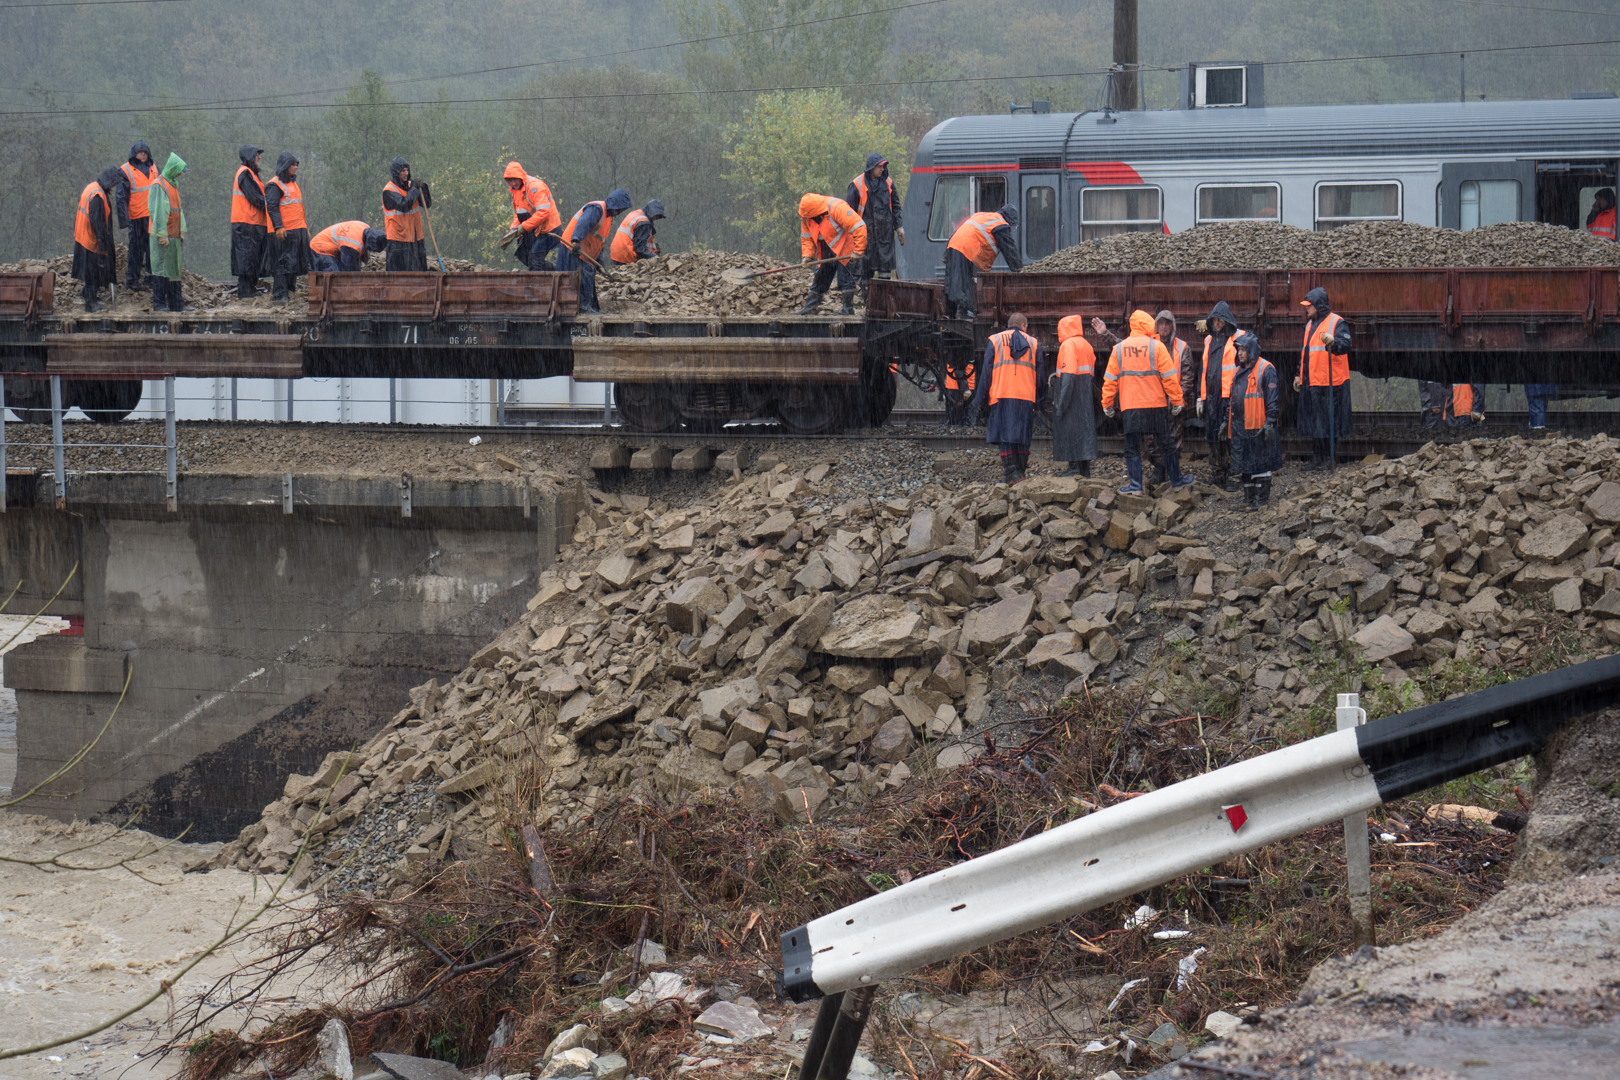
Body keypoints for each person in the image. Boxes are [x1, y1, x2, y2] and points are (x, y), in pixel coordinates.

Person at [1100, 309, 1192, 494]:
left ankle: (1135, 485)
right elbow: (1169, 378)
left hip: (1131, 407)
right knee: (1166, 442)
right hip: (1155, 406)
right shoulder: (1157, 347)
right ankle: (1177, 480)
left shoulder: (1119, 349)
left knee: (1132, 446)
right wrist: (1176, 401)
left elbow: (1110, 380)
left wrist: (1107, 404)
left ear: (1133, 326)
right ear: (1149, 324)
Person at [970, 313, 1044, 485]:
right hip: (1026, 396)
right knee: (1022, 436)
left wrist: (980, 400)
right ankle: (1019, 473)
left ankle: (1011, 474)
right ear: (1024, 326)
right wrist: (1039, 403)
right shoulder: (1034, 343)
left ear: (1008, 325)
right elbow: (1040, 377)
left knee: (1005, 435)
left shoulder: (995, 340)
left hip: (1002, 393)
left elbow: (986, 373)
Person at [1296, 286, 1352, 470]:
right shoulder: (1309, 325)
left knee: (1328, 422)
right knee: (1316, 422)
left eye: (1309, 305)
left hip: (1331, 383)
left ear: (1318, 305)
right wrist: (1299, 374)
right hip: (1313, 381)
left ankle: (1328, 458)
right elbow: (1306, 354)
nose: (1306, 308)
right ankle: (1318, 459)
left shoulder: (1336, 322)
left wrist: (1334, 343)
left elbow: (1345, 345)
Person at [1228, 331, 1281, 510]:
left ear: (1251, 350)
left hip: (1257, 425)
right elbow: (1232, 399)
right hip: (1241, 425)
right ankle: (1248, 499)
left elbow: (1273, 399)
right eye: (1238, 350)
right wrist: (1224, 421)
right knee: (1245, 463)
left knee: (1261, 463)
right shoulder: (1238, 371)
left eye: (1243, 350)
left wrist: (1270, 421)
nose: (1240, 353)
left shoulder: (1266, 369)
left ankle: (1261, 500)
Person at [558, 188, 632, 314]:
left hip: (585, 254)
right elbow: (583, 224)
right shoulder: (597, 209)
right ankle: (582, 308)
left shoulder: (607, 218)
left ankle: (590, 307)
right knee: (577, 279)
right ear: (614, 204)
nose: (619, 212)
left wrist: (600, 263)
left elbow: (599, 242)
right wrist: (576, 241)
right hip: (572, 248)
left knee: (588, 277)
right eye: (619, 209)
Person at [793, 192, 867, 315]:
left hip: (846, 246)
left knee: (845, 276)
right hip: (827, 247)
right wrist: (807, 256)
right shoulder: (806, 216)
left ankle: (847, 309)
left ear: (816, 212)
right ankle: (810, 308)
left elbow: (859, 226)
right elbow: (807, 238)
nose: (806, 218)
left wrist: (858, 250)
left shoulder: (837, 208)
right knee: (821, 275)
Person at [944, 205, 1020, 319]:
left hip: (952, 246)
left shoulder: (984, 216)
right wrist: (1019, 271)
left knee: (955, 281)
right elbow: (1010, 251)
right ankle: (963, 313)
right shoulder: (999, 223)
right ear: (1009, 219)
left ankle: (953, 312)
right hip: (967, 248)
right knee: (965, 283)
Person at [1198, 301, 1240, 491]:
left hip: (1227, 397)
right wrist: (1201, 397)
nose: (1217, 322)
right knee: (1214, 436)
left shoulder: (1237, 340)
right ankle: (1218, 474)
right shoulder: (1208, 341)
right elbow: (1204, 371)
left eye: (1220, 319)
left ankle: (1234, 474)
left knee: (1230, 437)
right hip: (1212, 398)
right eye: (1214, 319)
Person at [1050, 315, 1097, 476]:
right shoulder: (1086, 345)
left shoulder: (1068, 345)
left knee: (1071, 428)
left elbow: (1068, 376)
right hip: (1084, 392)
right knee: (1083, 429)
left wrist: (1061, 404)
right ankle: (1084, 469)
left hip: (1073, 392)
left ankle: (1074, 468)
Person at [847, 152, 902, 286]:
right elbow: (848, 212)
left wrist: (899, 226)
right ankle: (866, 301)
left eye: (883, 167)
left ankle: (882, 303)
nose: (882, 169)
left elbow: (896, 206)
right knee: (865, 273)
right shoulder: (857, 184)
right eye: (879, 166)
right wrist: (850, 237)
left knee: (885, 273)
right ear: (871, 167)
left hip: (885, 236)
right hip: (866, 236)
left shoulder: (888, 182)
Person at [264, 152, 312, 302]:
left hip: (296, 230)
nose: (296, 167)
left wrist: (305, 229)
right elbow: (272, 207)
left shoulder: (292, 183)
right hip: (282, 232)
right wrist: (278, 227)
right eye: (293, 164)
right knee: (281, 264)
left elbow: (298, 208)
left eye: (297, 164)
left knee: (293, 264)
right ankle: (279, 295)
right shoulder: (274, 184)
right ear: (285, 166)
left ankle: (289, 292)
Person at [72, 167, 119, 312]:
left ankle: (86, 294)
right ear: (109, 181)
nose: (114, 186)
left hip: (82, 236)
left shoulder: (92, 187)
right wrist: (103, 244)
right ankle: (91, 304)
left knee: (88, 270)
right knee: (93, 272)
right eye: (114, 183)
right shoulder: (98, 196)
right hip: (91, 240)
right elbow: (98, 222)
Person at [146, 152, 188, 312]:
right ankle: (159, 304)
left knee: (173, 272)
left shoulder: (172, 185)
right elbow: (157, 212)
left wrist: (180, 231)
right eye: (178, 171)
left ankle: (176, 303)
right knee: (161, 270)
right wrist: (161, 234)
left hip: (173, 235)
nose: (180, 174)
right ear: (172, 169)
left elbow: (178, 211)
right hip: (163, 236)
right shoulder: (159, 185)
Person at [502, 161, 561, 270]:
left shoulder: (535, 186)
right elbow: (519, 214)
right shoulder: (516, 190)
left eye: (515, 179)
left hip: (548, 229)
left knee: (535, 259)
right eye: (510, 180)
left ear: (520, 176)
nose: (513, 183)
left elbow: (544, 212)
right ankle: (555, 271)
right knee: (523, 255)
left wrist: (523, 227)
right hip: (533, 228)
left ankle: (537, 285)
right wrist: (513, 229)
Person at [114, 140, 156, 293]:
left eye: (145, 152)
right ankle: (132, 280)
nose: (143, 154)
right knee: (136, 251)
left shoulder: (154, 169)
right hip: (137, 218)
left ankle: (151, 279)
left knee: (152, 250)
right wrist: (124, 219)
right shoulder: (126, 171)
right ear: (134, 153)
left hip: (152, 217)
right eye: (140, 152)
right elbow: (121, 197)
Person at [230, 145, 269, 298]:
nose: (259, 157)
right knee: (247, 257)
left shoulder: (250, 173)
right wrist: (270, 205)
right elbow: (255, 198)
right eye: (256, 155)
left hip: (252, 222)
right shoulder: (245, 173)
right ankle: (246, 291)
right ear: (249, 156)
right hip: (246, 223)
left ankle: (250, 288)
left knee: (252, 257)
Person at [382, 157, 432, 271]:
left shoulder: (411, 187)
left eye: (407, 170)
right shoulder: (389, 191)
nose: (406, 173)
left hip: (416, 238)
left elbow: (427, 204)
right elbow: (404, 205)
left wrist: (423, 188)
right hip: (398, 242)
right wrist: (414, 188)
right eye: (403, 171)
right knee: (400, 278)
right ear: (396, 172)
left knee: (419, 273)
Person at [309, 221, 388, 272]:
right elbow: (347, 269)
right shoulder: (353, 244)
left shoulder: (364, 226)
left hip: (329, 245)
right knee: (335, 275)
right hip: (319, 248)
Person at [610, 199, 664, 264]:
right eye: (657, 215)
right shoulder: (643, 222)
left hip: (616, 252)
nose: (656, 218)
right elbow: (640, 248)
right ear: (652, 212)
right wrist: (656, 258)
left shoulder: (636, 214)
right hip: (626, 256)